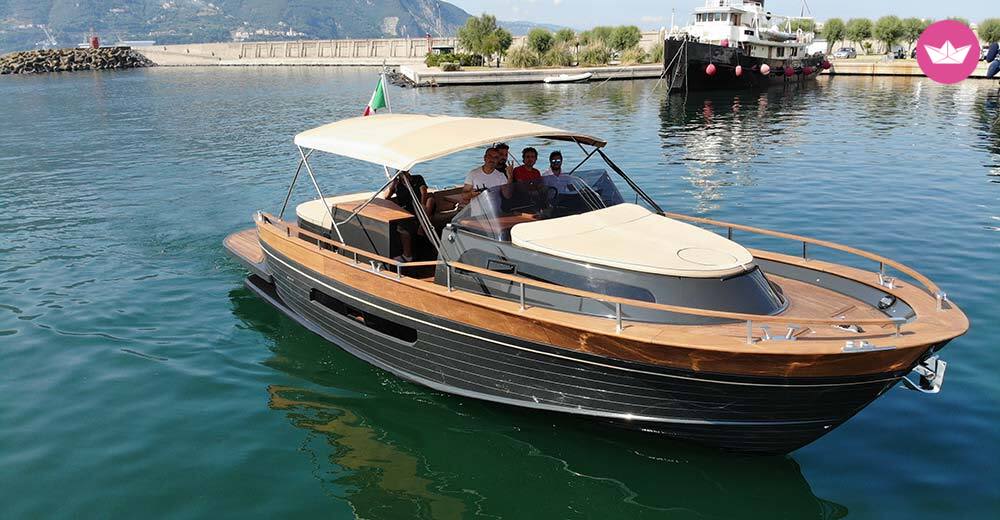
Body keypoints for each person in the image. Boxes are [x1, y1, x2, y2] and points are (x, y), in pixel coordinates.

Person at [384, 170, 435, 262]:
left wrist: (422, 205)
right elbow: (386, 197)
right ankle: (421, 227)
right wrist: (392, 185)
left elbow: (424, 192)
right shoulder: (397, 184)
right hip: (407, 211)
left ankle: (421, 226)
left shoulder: (418, 178)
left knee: (430, 201)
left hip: (420, 207)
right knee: (402, 225)